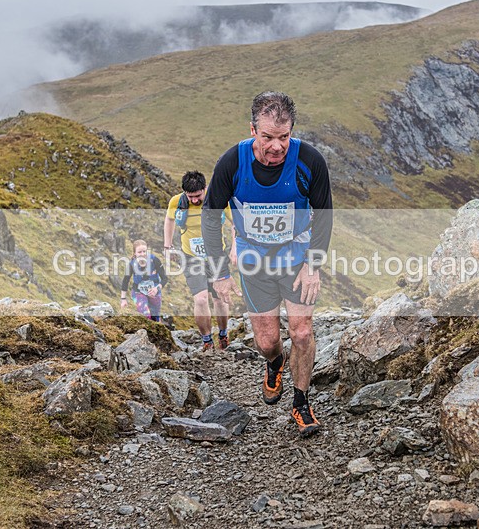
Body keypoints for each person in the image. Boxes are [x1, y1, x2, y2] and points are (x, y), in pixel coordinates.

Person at [202, 91, 333, 437]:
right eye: (268, 137)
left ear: (292, 131)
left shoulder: (309, 161)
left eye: (284, 137)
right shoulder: (232, 163)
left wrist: (313, 265)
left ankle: (301, 402)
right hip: (253, 260)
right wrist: (219, 273)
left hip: (296, 257)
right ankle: (275, 363)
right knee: (266, 341)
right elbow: (210, 217)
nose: (277, 146)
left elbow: (324, 215)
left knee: (302, 332)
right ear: (252, 131)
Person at [164, 171, 236, 351]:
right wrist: (167, 246)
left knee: (219, 299)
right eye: (190, 197)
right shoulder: (176, 202)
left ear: (205, 189)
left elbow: (236, 223)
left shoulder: (219, 200)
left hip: (216, 256)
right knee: (201, 299)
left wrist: (235, 248)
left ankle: (223, 334)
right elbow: (169, 220)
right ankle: (207, 341)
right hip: (191, 257)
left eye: (198, 196)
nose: (194, 200)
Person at [120, 239, 167, 322]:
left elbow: (164, 278)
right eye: (139, 252)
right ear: (134, 253)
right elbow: (125, 281)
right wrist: (123, 299)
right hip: (138, 292)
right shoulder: (131, 264)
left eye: (144, 251)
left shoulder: (154, 260)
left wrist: (156, 289)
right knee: (146, 315)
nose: (142, 254)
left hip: (154, 293)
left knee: (155, 318)